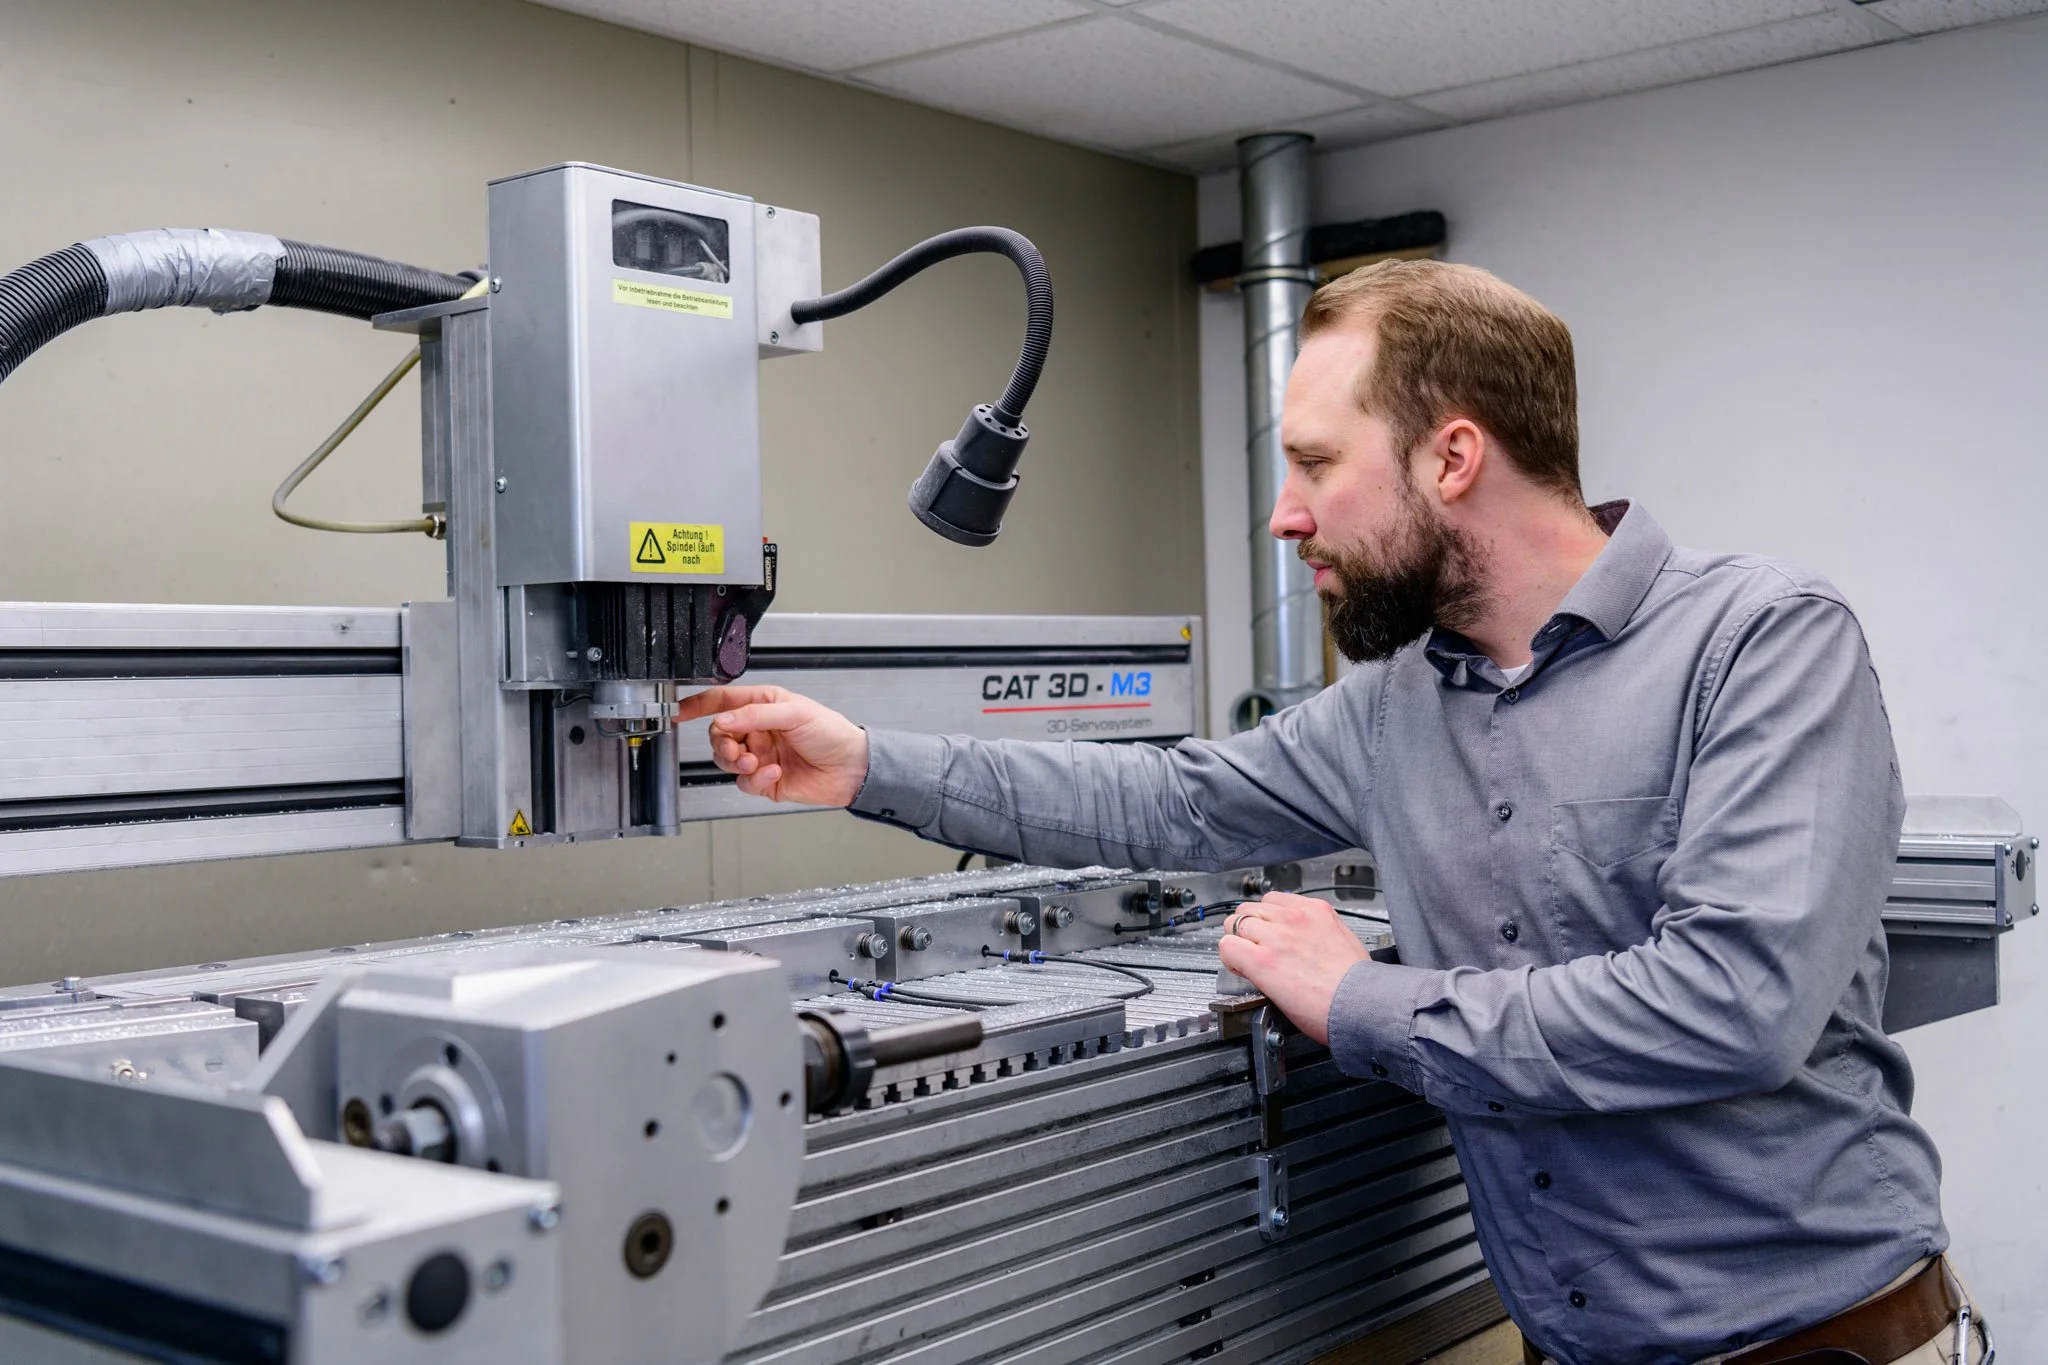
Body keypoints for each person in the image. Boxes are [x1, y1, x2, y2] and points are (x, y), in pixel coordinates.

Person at [677, 261, 1985, 1365]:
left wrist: (1357, 997)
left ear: (1453, 454)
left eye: (1313, 462)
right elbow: (1168, 799)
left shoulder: (1758, 644)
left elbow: (1731, 1009)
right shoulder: (1396, 704)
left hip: (1824, 1341)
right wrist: (866, 764)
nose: (1283, 511)